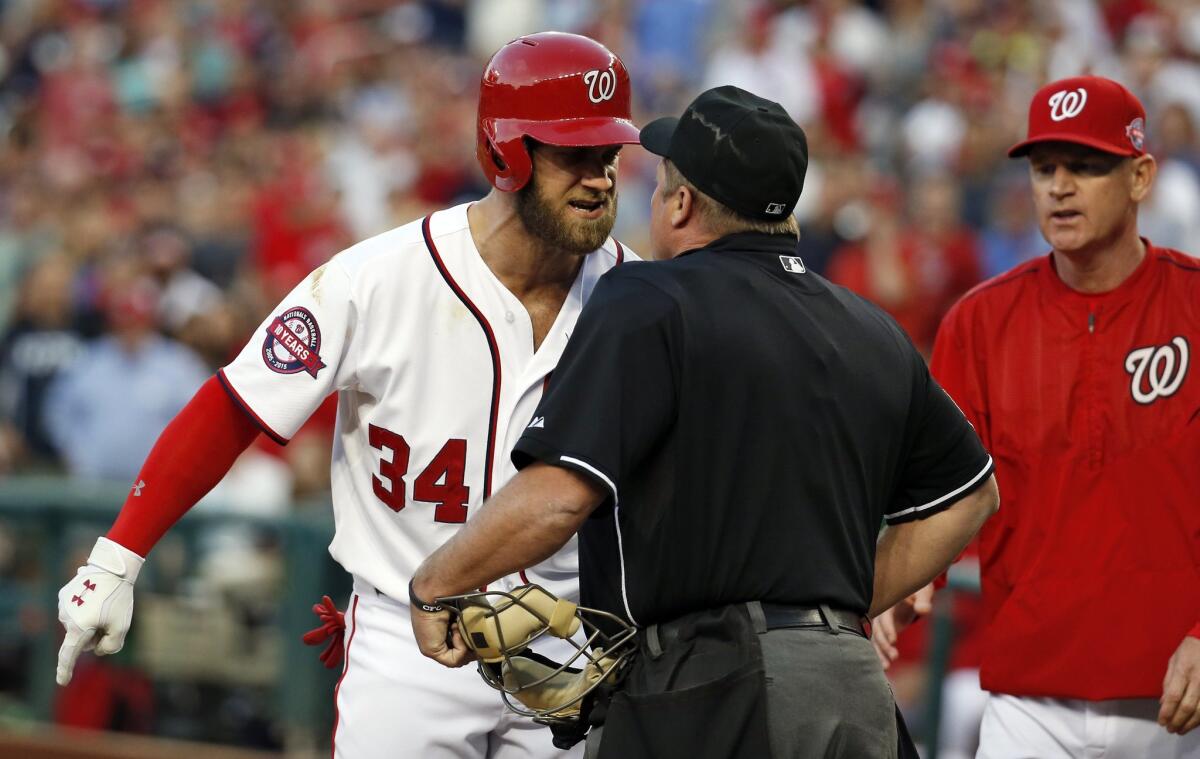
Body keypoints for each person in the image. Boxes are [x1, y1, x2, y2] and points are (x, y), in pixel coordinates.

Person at [53, 31, 642, 759]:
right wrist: (119, 554)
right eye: (573, 156)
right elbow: (237, 403)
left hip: (567, 643)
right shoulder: (377, 279)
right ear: (506, 153)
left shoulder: (639, 298)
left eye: (608, 155)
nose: (599, 178)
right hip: (410, 645)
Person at [409, 85, 1000, 759]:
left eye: (662, 190)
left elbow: (560, 496)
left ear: (683, 204)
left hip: (714, 687)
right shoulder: (871, 328)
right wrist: (843, 603)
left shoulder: (649, 298)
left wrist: (438, 582)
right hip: (853, 685)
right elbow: (972, 494)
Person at [928, 75, 1200, 757]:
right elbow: (931, 491)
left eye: (1086, 165)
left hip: (1179, 698)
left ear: (1140, 177)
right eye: (1044, 168)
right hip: (1028, 703)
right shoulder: (978, 324)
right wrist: (907, 586)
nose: (1059, 185)